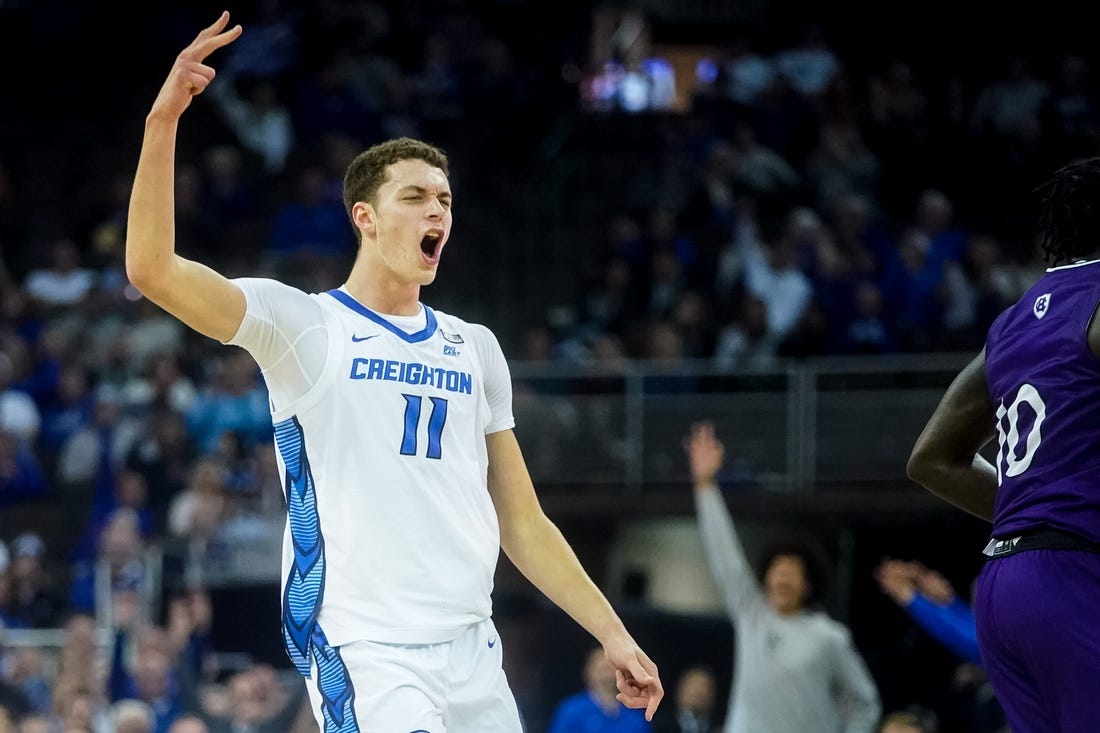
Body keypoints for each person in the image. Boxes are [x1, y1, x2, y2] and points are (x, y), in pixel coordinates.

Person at [124, 13, 662, 733]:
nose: (436, 208)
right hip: (363, 638)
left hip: (470, 643)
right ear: (366, 218)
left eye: (443, 198)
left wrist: (614, 631)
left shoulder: (475, 347)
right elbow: (152, 270)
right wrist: (164, 122)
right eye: (415, 196)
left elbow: (523, 522)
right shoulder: (305, 326)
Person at [906, 155, 1100, 732]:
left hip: (1003, 587)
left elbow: (930, 459)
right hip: (1072, 575)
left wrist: (1034, 512)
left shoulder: (1012, 322)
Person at [684, 421, 880, 733]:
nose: (782, 579)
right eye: (777, 572)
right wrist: (705, 486)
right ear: (765, 579)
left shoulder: (828, 637)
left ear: (808, 585)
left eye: (791, 574)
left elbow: (865, 702)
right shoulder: (752, 615)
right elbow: (726, 558)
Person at [547, 647, 653, 733]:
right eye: (600, 668)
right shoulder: (571, 710)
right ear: (588, 672)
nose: (605, 673)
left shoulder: (635, 717)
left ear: (621, 673)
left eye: (609, 668)